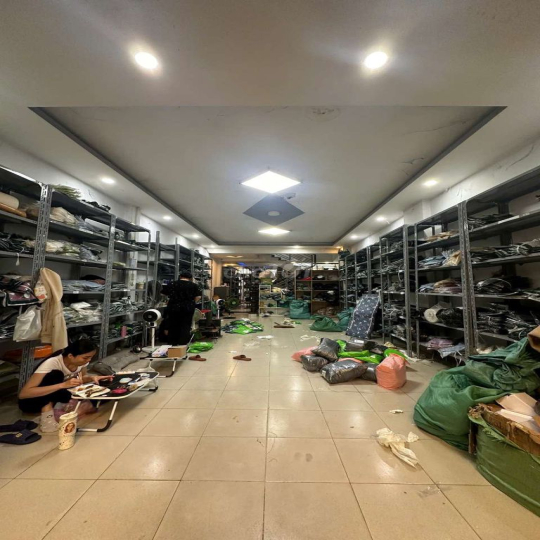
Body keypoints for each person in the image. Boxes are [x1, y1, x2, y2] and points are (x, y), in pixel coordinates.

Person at [18, 339, 111, 433]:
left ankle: (68, 408)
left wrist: (93, 378)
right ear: (70, 356)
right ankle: (47, 414)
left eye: (91, 357)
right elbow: (24, 394)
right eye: (85, 358)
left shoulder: (82, 363)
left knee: (106, 392)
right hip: (31, 402)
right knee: (56, 374)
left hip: (57, 393)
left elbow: (81, 379)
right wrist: (63, 385)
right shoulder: (52, 363)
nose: (89, 360)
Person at [162, 270, 200, 345]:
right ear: (190, 278)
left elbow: (163, 293)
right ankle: (183, 343)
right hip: (188, 307)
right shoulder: (193, 285)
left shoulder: (172, 284)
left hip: (173, 307)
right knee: (185, 325)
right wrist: (192, 302)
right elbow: (198, 296)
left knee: (173, 324)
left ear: (180, 276)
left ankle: (173, 343)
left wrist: (170, 299)